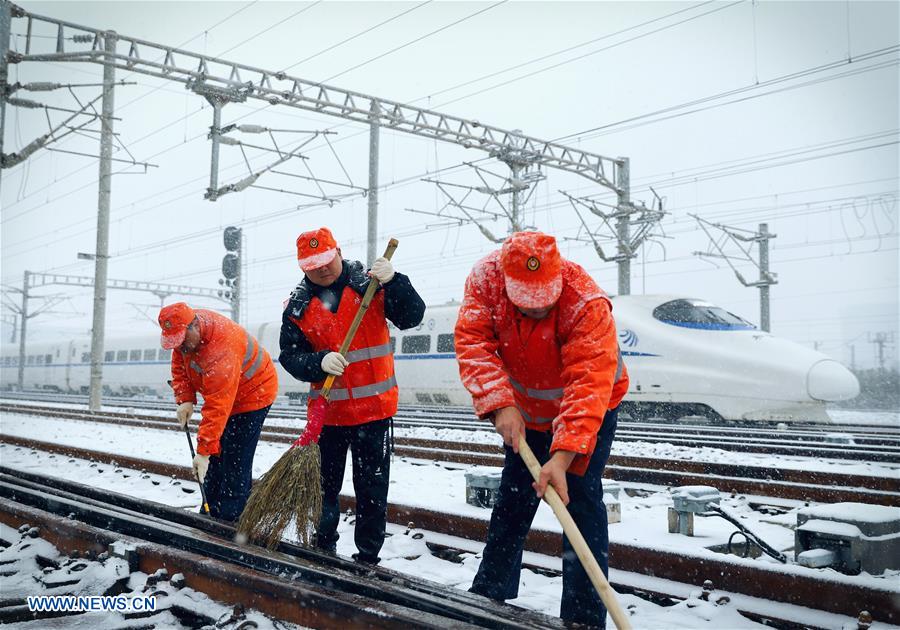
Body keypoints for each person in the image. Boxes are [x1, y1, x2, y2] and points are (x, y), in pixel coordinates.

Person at [454, 231, 629, 628]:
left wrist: (563, 455)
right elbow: (473, 342)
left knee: (580, 504)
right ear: (506, 279)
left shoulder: (585, 300)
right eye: (526, 303)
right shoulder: (486, 279)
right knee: (513, 500)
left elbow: (588, 384)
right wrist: (499, 404)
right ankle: (489, 594)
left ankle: (584, 617)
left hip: (590, 411)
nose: (536, 310)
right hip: (524, 414)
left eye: (544, 301)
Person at [279, 227, 425, 564]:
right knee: (324, 490)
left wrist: (396, 282)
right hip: (329, 416)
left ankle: (368, 557)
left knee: (372, 492)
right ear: (302, 267)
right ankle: (323, 547)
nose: (322, 269)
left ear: (339, 252)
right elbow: (289, 356)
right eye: (313, 265)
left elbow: (411, 316)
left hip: (375, 414)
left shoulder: (370, 285)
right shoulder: (297, 307)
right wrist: (317, 362)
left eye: (327, 260)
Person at [159, 302, 278, 522]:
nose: (181, 347)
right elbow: (179, 365)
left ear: (194, 326)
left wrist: (203, 452)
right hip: (226, 394)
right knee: (216, 456)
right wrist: (184, 399)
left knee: (235, 458)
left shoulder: (221, 347)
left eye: (182, 341)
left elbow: (217, 406)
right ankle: (210, 510)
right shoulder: (185, 340)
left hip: (253, 395)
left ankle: (231, 519)